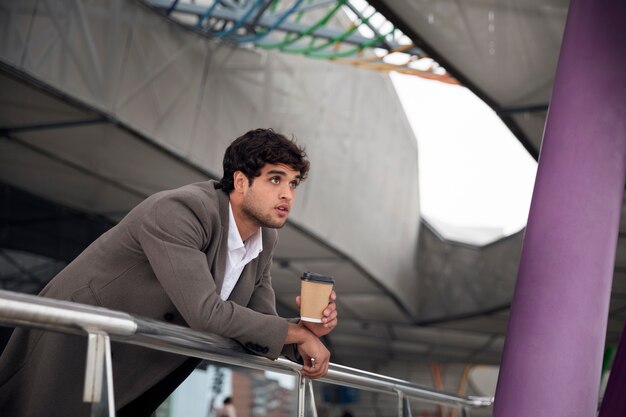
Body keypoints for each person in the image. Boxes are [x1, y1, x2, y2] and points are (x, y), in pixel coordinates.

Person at [0, 128, 338, 417]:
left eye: (293, 184)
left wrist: (306, 330)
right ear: (240, 181)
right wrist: (296, 335)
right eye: (275, 179)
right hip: (79, 343)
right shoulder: (181, 210)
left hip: (144, 361)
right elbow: (205, 312)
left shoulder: (265, 237)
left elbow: (259, 321)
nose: (287, 194)